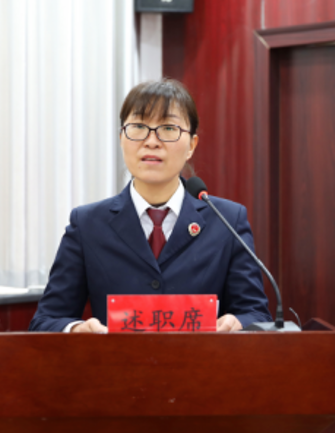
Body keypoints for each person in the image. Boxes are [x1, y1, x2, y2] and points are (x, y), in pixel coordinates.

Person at [29, 79, 272, 333]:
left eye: (168, 128)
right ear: (121, 138)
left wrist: (238, 323)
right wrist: (76, 329)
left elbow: (256, 314)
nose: (152, 141)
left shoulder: (227, 221)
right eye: (138, 127)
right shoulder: (87, 224)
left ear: (191, 145)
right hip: (117, 359)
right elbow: (46, 321)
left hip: (202, 359)